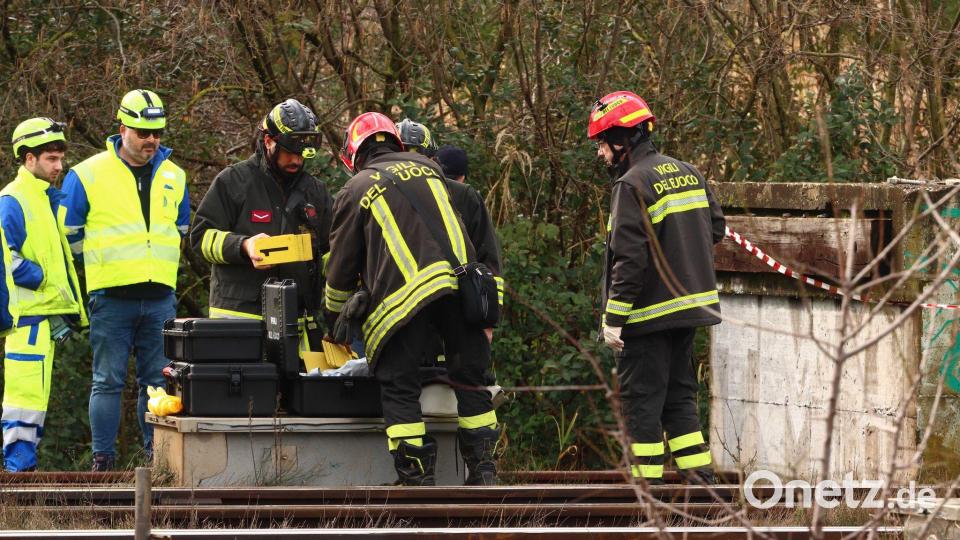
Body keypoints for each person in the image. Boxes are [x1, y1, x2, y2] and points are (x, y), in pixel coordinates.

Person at [325, 112, 499, 486]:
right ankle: (483, 474)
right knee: (471, 381)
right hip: (461, 288)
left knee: (399, 385)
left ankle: (417, 483)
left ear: (354, 155)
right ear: (396, 142)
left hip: (405, 300)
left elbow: (341, 267)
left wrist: (334, 315)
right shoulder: (431, 170)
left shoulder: (355, 189)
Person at [589, 91, 725, 485]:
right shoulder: (688, 171)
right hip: (689, 311)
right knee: (680, 396)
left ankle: (644, 493)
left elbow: (629, 261)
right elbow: (716, 229)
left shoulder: (631, 184)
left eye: (601, 143)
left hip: (646, 316)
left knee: (640, 403)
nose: (601, 154)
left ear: (621, 138)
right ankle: (700, 483)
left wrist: (614, 319)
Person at [61, 89, 190, 471]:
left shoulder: (174, 176)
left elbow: (179, 229)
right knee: (107, 382)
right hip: (111, 296)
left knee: (157, 382)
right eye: (143, 132)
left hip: (159, 296)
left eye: (158, 133)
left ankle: (156, 461)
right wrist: (104, 265)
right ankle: (103, 462)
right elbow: (69, 233)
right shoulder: (87, 174)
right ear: (122, 129)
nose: (152, 140)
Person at [190, 99, 332, 351]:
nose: (296, 160)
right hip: (238, 322)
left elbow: (330, 251)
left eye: (302, 152)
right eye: (289, 150)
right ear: (268, 141)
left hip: (295, 325)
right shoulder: (234, 181)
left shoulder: (315, 192)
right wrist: (243, 246)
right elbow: (201, 237)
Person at [0, 118, 86, 471]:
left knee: (33, 398)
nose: (59, 166)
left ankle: (22, 471)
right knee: (24, 398)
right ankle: (18, 471)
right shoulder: (13, 200)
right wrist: (38, 278)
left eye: (60, 158)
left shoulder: (43, 198)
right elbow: (7, 254)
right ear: (28, 158)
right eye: (51, 158)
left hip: (39, 317)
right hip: (26, 319)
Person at [396, 122, 503, 366]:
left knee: (465, 384)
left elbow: (488, 258)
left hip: (456, 309)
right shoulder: (380, 194)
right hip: (406, 316)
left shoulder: (462, 195)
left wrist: (488, 318)